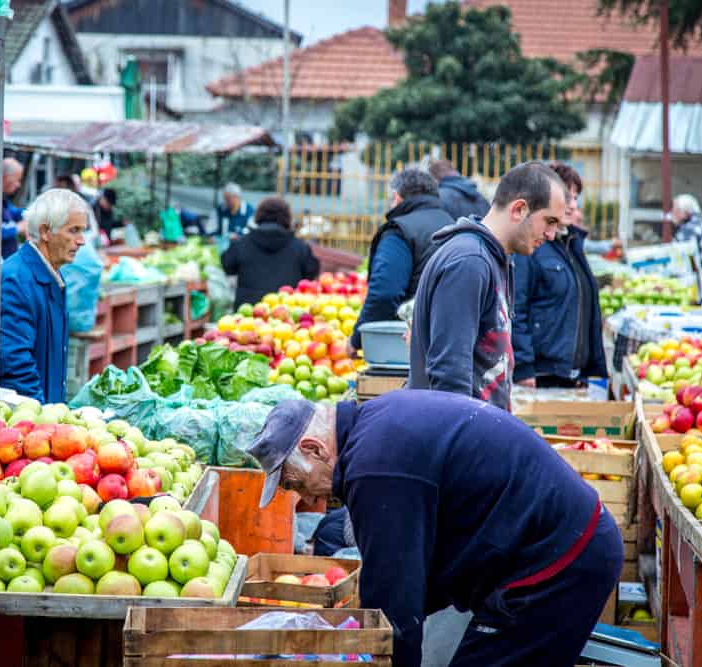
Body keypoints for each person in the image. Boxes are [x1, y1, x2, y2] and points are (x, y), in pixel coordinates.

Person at [250, 393, 623, 667]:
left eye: (294, 483)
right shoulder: (376, 427)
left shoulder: (375, 467)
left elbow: (395, 612)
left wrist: (380, 645)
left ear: (314, 448)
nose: (302, 496)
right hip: (555, 549)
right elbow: (411, 579)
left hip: (559, 564)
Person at [408, 162, 566, 410]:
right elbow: (450, 378)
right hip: (458, 434)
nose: (552, 234)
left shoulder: (494, 259)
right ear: (519, 209)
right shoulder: (470, 263)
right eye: (549, 221)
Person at [513, 163, 607, 389]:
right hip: (541, 374)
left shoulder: (571, 244)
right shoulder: (532, 245)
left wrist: (593, 368)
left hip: (571, 374)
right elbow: (516, 308)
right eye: (567, 196)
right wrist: (524, 367)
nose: (572, 205)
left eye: (575, 198)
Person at [349, 168, 453, 355]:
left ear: (396, 198)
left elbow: (385, 294)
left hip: (404, 345)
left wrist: (357, 340)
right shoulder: (452, 225)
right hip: (447, 341)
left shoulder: (400, 230)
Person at [0, 188, 88, 403]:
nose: (82, 240)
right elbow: (14, 360)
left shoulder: (52, 274)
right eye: (73, 231)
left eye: (82, 231)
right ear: (46, 231)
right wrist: (41, 416)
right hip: (25, 421)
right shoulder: (17, 279)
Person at [221, 197, 320, 309]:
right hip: (287, 313)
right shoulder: (300, 248)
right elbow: (311, 272)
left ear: (258, 215)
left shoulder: (241, 243)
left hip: (247, 313)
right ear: (287, 217)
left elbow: (227, 265)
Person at [672, 193, 702, 277]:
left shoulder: (688, 231)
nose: (672, 213)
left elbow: (689, 261)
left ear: (685, 213)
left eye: (675, 210)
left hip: (692, 284)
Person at [1, 157, 26, 258]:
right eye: (17, 179)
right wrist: (18, 227)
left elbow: (15, 212)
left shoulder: (2, 200)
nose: (18, 185)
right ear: (6, 177)